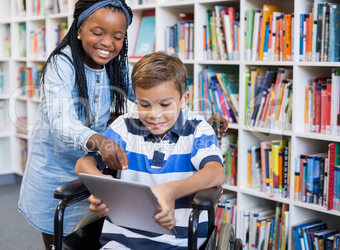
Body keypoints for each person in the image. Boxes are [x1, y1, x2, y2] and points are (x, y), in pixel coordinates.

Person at [18, 0, 228, 250]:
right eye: (98, 32)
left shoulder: (117, 65)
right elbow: (62, 122)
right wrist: (101, 144)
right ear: (80, 29)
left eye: (117, 37)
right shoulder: (61, 65)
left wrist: (196, 119)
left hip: (104, 169)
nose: (108, 42)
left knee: (96, 224)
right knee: (58, 239)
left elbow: (154, 92)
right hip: (59, 166)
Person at [75, 51, 226, 249]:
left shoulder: (197, 129)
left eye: (165, 104)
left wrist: (171, 190)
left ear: (183, 99)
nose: (154, 115)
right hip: (121, 241)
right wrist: (102, 186)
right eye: (144, 104)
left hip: (179, 242)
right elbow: (83, 163)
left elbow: (216, 172)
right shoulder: (125, 126)